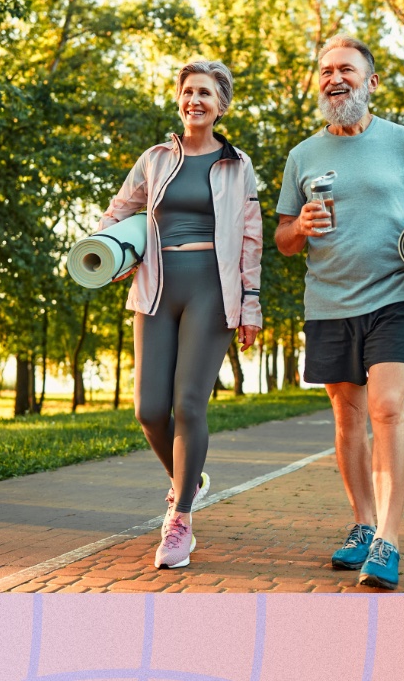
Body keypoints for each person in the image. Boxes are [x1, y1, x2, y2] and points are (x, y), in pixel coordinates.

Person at [275, 35, 404, 589]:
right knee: (347, 419)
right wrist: (298, 229)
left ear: (371, 81)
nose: (334, 78)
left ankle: (389, 538)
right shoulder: (302, 156)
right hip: (329, 302)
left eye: (347, 70)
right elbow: (283, 239)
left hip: (392, 297)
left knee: (386, 409)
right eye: (325, 70)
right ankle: (361, 523)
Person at [98, 60, 263, 569]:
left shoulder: (238, 164)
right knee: (149, 410)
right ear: (179, 100)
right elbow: (118, 211)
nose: (196, 100)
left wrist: (251, 303)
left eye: (206, 94)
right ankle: (188, 478)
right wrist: (110, 251)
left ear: (221, 105)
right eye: (189, 92)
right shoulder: (154, 159)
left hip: (212, 290)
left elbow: (252, 236)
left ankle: (181, 520)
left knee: (189, 404)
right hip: (156, 288)